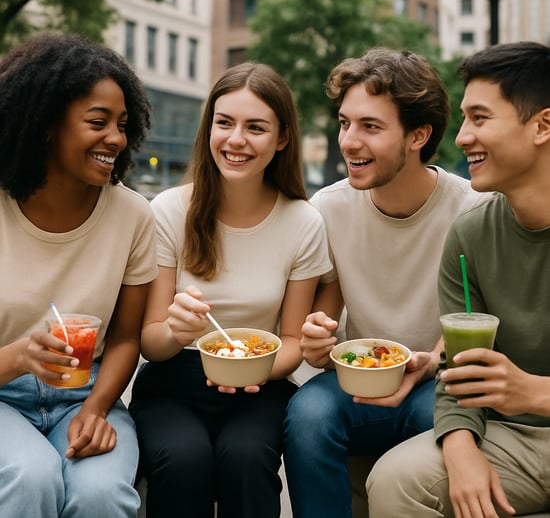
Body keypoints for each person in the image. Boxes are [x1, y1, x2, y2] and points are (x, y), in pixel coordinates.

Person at [283, 47, 490, 518]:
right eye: (344, 123)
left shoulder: (473, 209)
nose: (349, 141)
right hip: (354, 380)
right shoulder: (328, 208)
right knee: (308, 415)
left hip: (436, 382)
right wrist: (317, 339)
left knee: (434, 418)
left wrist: (431, 360)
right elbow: (323, 317)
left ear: (418, 135)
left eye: (370, 127)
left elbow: (479, 315)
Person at [128, 62, 332, 518]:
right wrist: (177, 332)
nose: (235, 140)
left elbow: (294, 340)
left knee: (245, 457)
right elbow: (151, 342)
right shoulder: (167, 210)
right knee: (183, 460)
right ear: (209, 128)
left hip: (262, 383)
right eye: (224, 123)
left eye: (255, 127)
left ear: (281, 139)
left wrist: (250, 370)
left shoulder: (303, 222)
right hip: (173, 383)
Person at [367, 41, 550, 517]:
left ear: (542, 126)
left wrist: (534, 392)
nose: (463, 136)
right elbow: (458, 369)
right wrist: (461, 446)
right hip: (512, 438)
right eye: (464, 118)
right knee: (395, 481)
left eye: (481, 118)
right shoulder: (471, 233)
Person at [0, 33, 157, 518]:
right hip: (4, 394)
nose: (116, 137)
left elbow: (127, 338)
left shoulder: (133, 215)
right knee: (31, 478)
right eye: (98, 122)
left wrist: (95, 409)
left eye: (123, 124)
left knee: (101, 496)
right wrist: (22, 355)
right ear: (47, 124)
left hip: (87, 395)